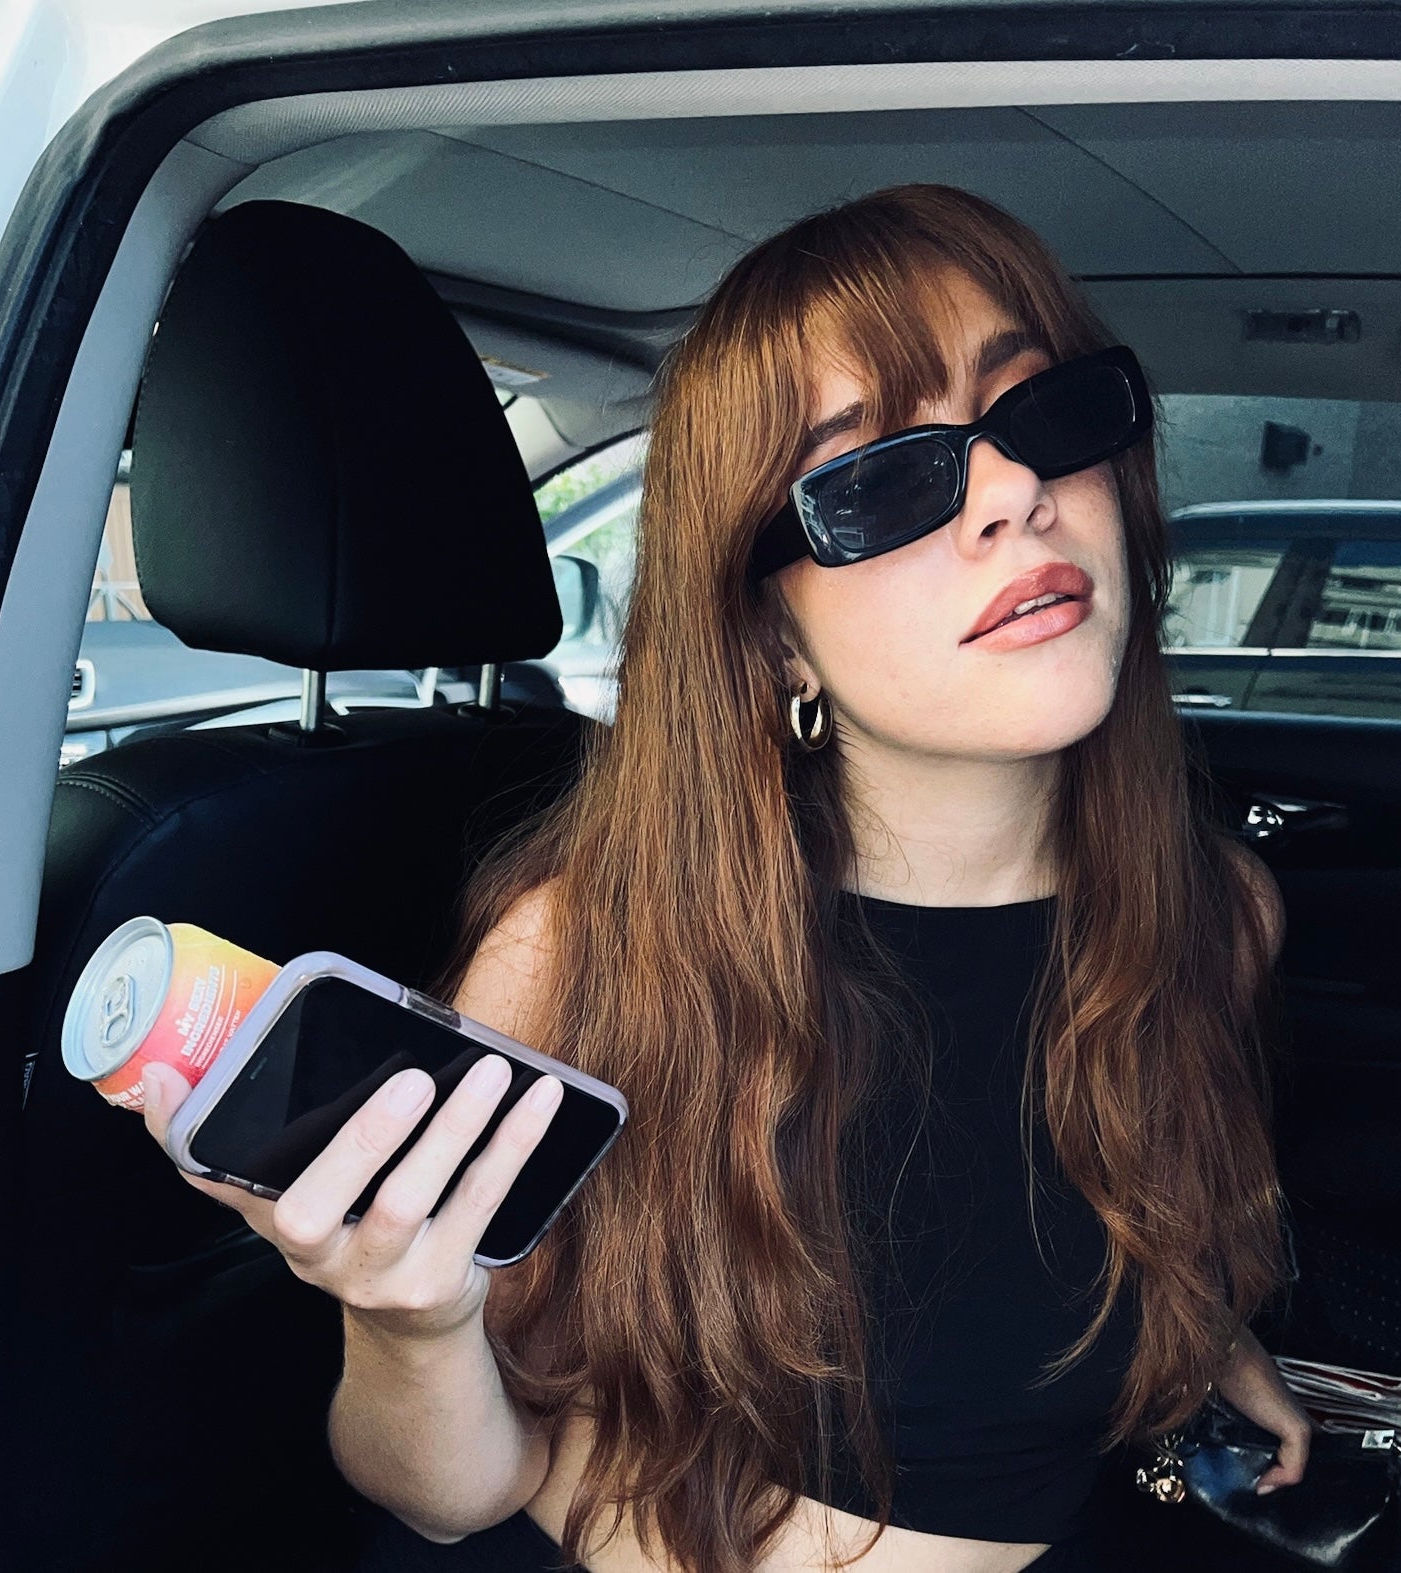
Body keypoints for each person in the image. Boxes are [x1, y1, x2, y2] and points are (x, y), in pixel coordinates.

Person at [144, 183, 1312, 1573]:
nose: (1016, 495)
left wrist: (1198, 1339)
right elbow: (455, 1492)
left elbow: (1129, 1220)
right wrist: (411, 1321)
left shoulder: (1214, 914)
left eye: (1045, 414)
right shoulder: (590, 954)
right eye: (876, 482)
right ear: (771, 643)